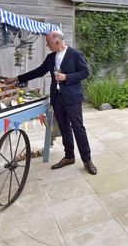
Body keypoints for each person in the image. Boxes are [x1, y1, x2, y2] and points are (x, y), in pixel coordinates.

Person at [8, 31, 97, 175]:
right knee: (64, 127)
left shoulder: (75, 55)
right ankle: (69, 156)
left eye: (48, 43)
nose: (47, 45)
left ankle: (87, 160)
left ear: (57, 42)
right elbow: (39, 71)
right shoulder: (51, 57)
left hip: (72, 98)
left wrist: (66, 77)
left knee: (78, 128)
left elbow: (85, 73)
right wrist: (17, 78)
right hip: (57, 98)